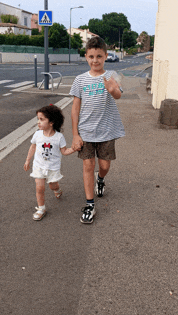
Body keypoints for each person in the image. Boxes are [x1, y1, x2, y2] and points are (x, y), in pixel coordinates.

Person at [70, 36, 125, 224]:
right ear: (86, 57)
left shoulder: (111, 77)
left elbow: (118, 95)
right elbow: (75, 109)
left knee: (104, 166)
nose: (95, 60)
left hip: (107, 131)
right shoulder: (79, 80)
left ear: (106, 56)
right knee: (88, 166)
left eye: (99, 56)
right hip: (85, 131)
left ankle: (100, 180)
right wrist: (75, 134)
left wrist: (112, 89)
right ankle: (90, 204)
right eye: (91, 56)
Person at [24, 104, 75, 221]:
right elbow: (32, 147)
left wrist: (74, 148)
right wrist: (27, 160)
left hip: (52, 167)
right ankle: (41, 208)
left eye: (41, 119)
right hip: (39, 166)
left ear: (51, 122)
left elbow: (64, 151)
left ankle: (57, 190)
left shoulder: (59, 137)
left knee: (52, 185)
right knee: (39, 187)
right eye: (38, 119)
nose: (38, 122)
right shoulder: (37, 134)